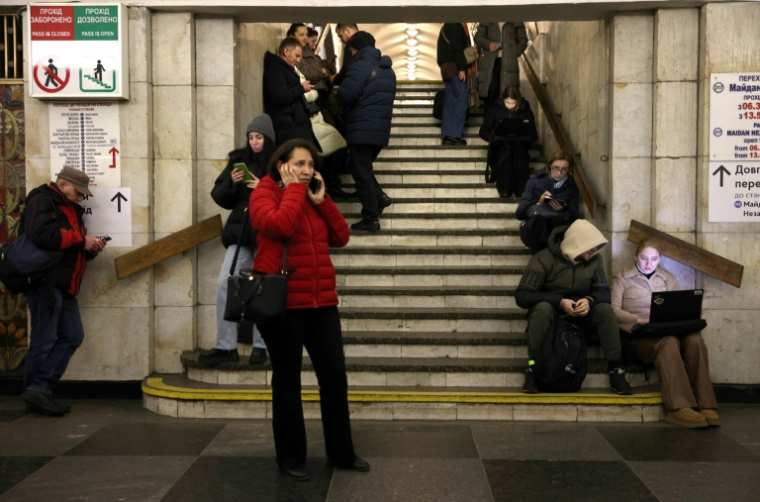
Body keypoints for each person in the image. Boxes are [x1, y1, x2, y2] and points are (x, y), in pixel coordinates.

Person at [250, 138, 369, 481]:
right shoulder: (264, 194)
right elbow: (279, 227)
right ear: (281, 165)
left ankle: (342, 453)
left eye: (310, 165)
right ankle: (291, 458)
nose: (306, 170)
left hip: (322, 303)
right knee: (287, 382)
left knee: (334, 379)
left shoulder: (312, 196)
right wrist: (292, 191)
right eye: (299, 164)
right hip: (284, 304)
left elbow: (341, 236)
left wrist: (323, 200)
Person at [20, 166, 106, 416]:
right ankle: (36, 393)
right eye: (78, 192)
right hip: (45, 282)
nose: (81, 198)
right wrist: (82, 241)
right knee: (44, 340)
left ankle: (39, 388)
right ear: (63, 184)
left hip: (66, 286)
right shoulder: (42, 199)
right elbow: (40, 234)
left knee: (72, 336)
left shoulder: (73, 210)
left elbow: (67, 246)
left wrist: (88, 249)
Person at [515, 219, 633, 396]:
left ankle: (616, 370)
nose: (594, 251)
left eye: (597, 247)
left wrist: (589, 300)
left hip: (580, 318)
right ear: (576, 244)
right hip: (553, 320)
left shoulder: (594, 260)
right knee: (542, 308)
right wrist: (560, 301)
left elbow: (603, 292)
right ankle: (534, 368)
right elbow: (522, 296)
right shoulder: (542, 258)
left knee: (605, 310)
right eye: (590, 247)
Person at [611, 239, 719, 428]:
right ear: (636, 256)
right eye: (644, 258)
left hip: (667, 330)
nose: (648, 263)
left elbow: (676, 307)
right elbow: (613, 311)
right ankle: (678, 407)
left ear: (659, 259)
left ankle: (705, 404)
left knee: (694, 340)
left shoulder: (667, 278)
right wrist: (638, 320)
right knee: (668, 342)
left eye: (653, 259)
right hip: (639, 338)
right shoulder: (622, 277)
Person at [198, 114, 275, 367]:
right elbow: (220, 197)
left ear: (268, 138)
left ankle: (262, 346)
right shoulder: (238, 159)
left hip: (267, 233)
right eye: (251, 137)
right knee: (225, 284)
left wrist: (264, 186)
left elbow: (292, 196)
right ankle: (225, 346)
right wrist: (232, 183)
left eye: (259, 137)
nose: (254, 142)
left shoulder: (278, 163)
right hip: (241, 231)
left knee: (263, 288)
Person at [337, 31, 396, 232]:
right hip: (379, 131)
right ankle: (380, 198)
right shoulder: (388, 69)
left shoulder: (360, 64)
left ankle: (371, 217)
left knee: (360, 170)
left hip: (361, 127)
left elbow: (346, 95)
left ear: (355, 49)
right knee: (361, 168)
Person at [515, 149, 580, 253]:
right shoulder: (535, 182)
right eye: (556, 168)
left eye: (564, 169)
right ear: (550, 166)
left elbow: (575, 216)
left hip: (558, 226)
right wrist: (539, 203)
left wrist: (564, 208)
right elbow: (520, 213)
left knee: (559, 225)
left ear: (568, 169)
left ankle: (549, 256)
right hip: (536, 228)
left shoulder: (572, 187)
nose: (559, 173)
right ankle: (544, 256)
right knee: (541, 221)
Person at [479, 85, 537, 198]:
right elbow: (483, 132)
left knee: (519, 153)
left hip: (520, 144)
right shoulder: (496, 109)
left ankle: (521, 188)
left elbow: (533, 134)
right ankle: (504, 188)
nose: (510, 106)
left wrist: (525, 138)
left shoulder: (525, 110)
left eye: (513, 103)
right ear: (503, 100)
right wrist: (493, 137)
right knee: (504, 153)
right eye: (507, 103)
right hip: (500, 145)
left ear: (518, 101)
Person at [263, 38, 317, 145]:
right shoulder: (276, 69)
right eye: (297, 56)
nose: (298, 61)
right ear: (286, 51)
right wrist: (301, 88)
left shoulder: (285, 69)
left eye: (300, 58)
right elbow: (279, 96)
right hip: (289, 128)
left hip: (295, 127)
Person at [474, 22, 528, 109]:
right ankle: (490, 121)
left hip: (509, 63)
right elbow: (478, 37)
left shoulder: (516, 16)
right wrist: (488, 44)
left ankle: (503, 121)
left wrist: (513, 53)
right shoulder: (488, 14)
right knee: (490, 95)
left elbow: (523, 40)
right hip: (490, 63)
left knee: (507, 96)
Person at [437, 23, 471, 146]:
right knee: (461, 100)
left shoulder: (445, 27)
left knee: (450, 101)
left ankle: (447, 135)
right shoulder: (455, 25)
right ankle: (455, 135)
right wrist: (462, 68)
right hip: (455, 67)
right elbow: (458, 49)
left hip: (446, 68)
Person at [288, 23, 330, 107]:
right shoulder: (294, 53)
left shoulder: (307, 50)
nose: (305, 38)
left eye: (306, 35)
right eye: (301, 35)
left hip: (319, 92)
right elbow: (305, 73)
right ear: (292, 36)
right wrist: (322, 71)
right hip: (311, 93)